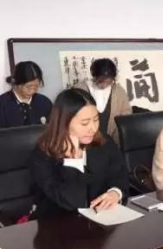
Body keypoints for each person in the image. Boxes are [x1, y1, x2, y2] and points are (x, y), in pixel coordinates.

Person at [29, 89, 129, 220]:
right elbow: (74, 201)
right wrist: (73, 159)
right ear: (64, 123)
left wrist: (115, 193)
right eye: (84, 123)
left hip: (102, 220)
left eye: (96, 120)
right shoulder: (43, 154)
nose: (93, 128)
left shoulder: (104, 142)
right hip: (58, 224)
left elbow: (120, 175)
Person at [74, 58, 132, 144]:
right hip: (86, 139)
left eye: (109, 82)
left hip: (112, 139)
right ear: (94, 76)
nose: (104, 85)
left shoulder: (119, 91)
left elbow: (126, 112)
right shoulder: (80, 89)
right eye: (101, 81)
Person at [0, 61, 52, 128]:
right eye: (28, 86)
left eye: (36, 86)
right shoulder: (2, 104)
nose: (32, 90)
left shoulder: (44, 102)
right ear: (15, 82)